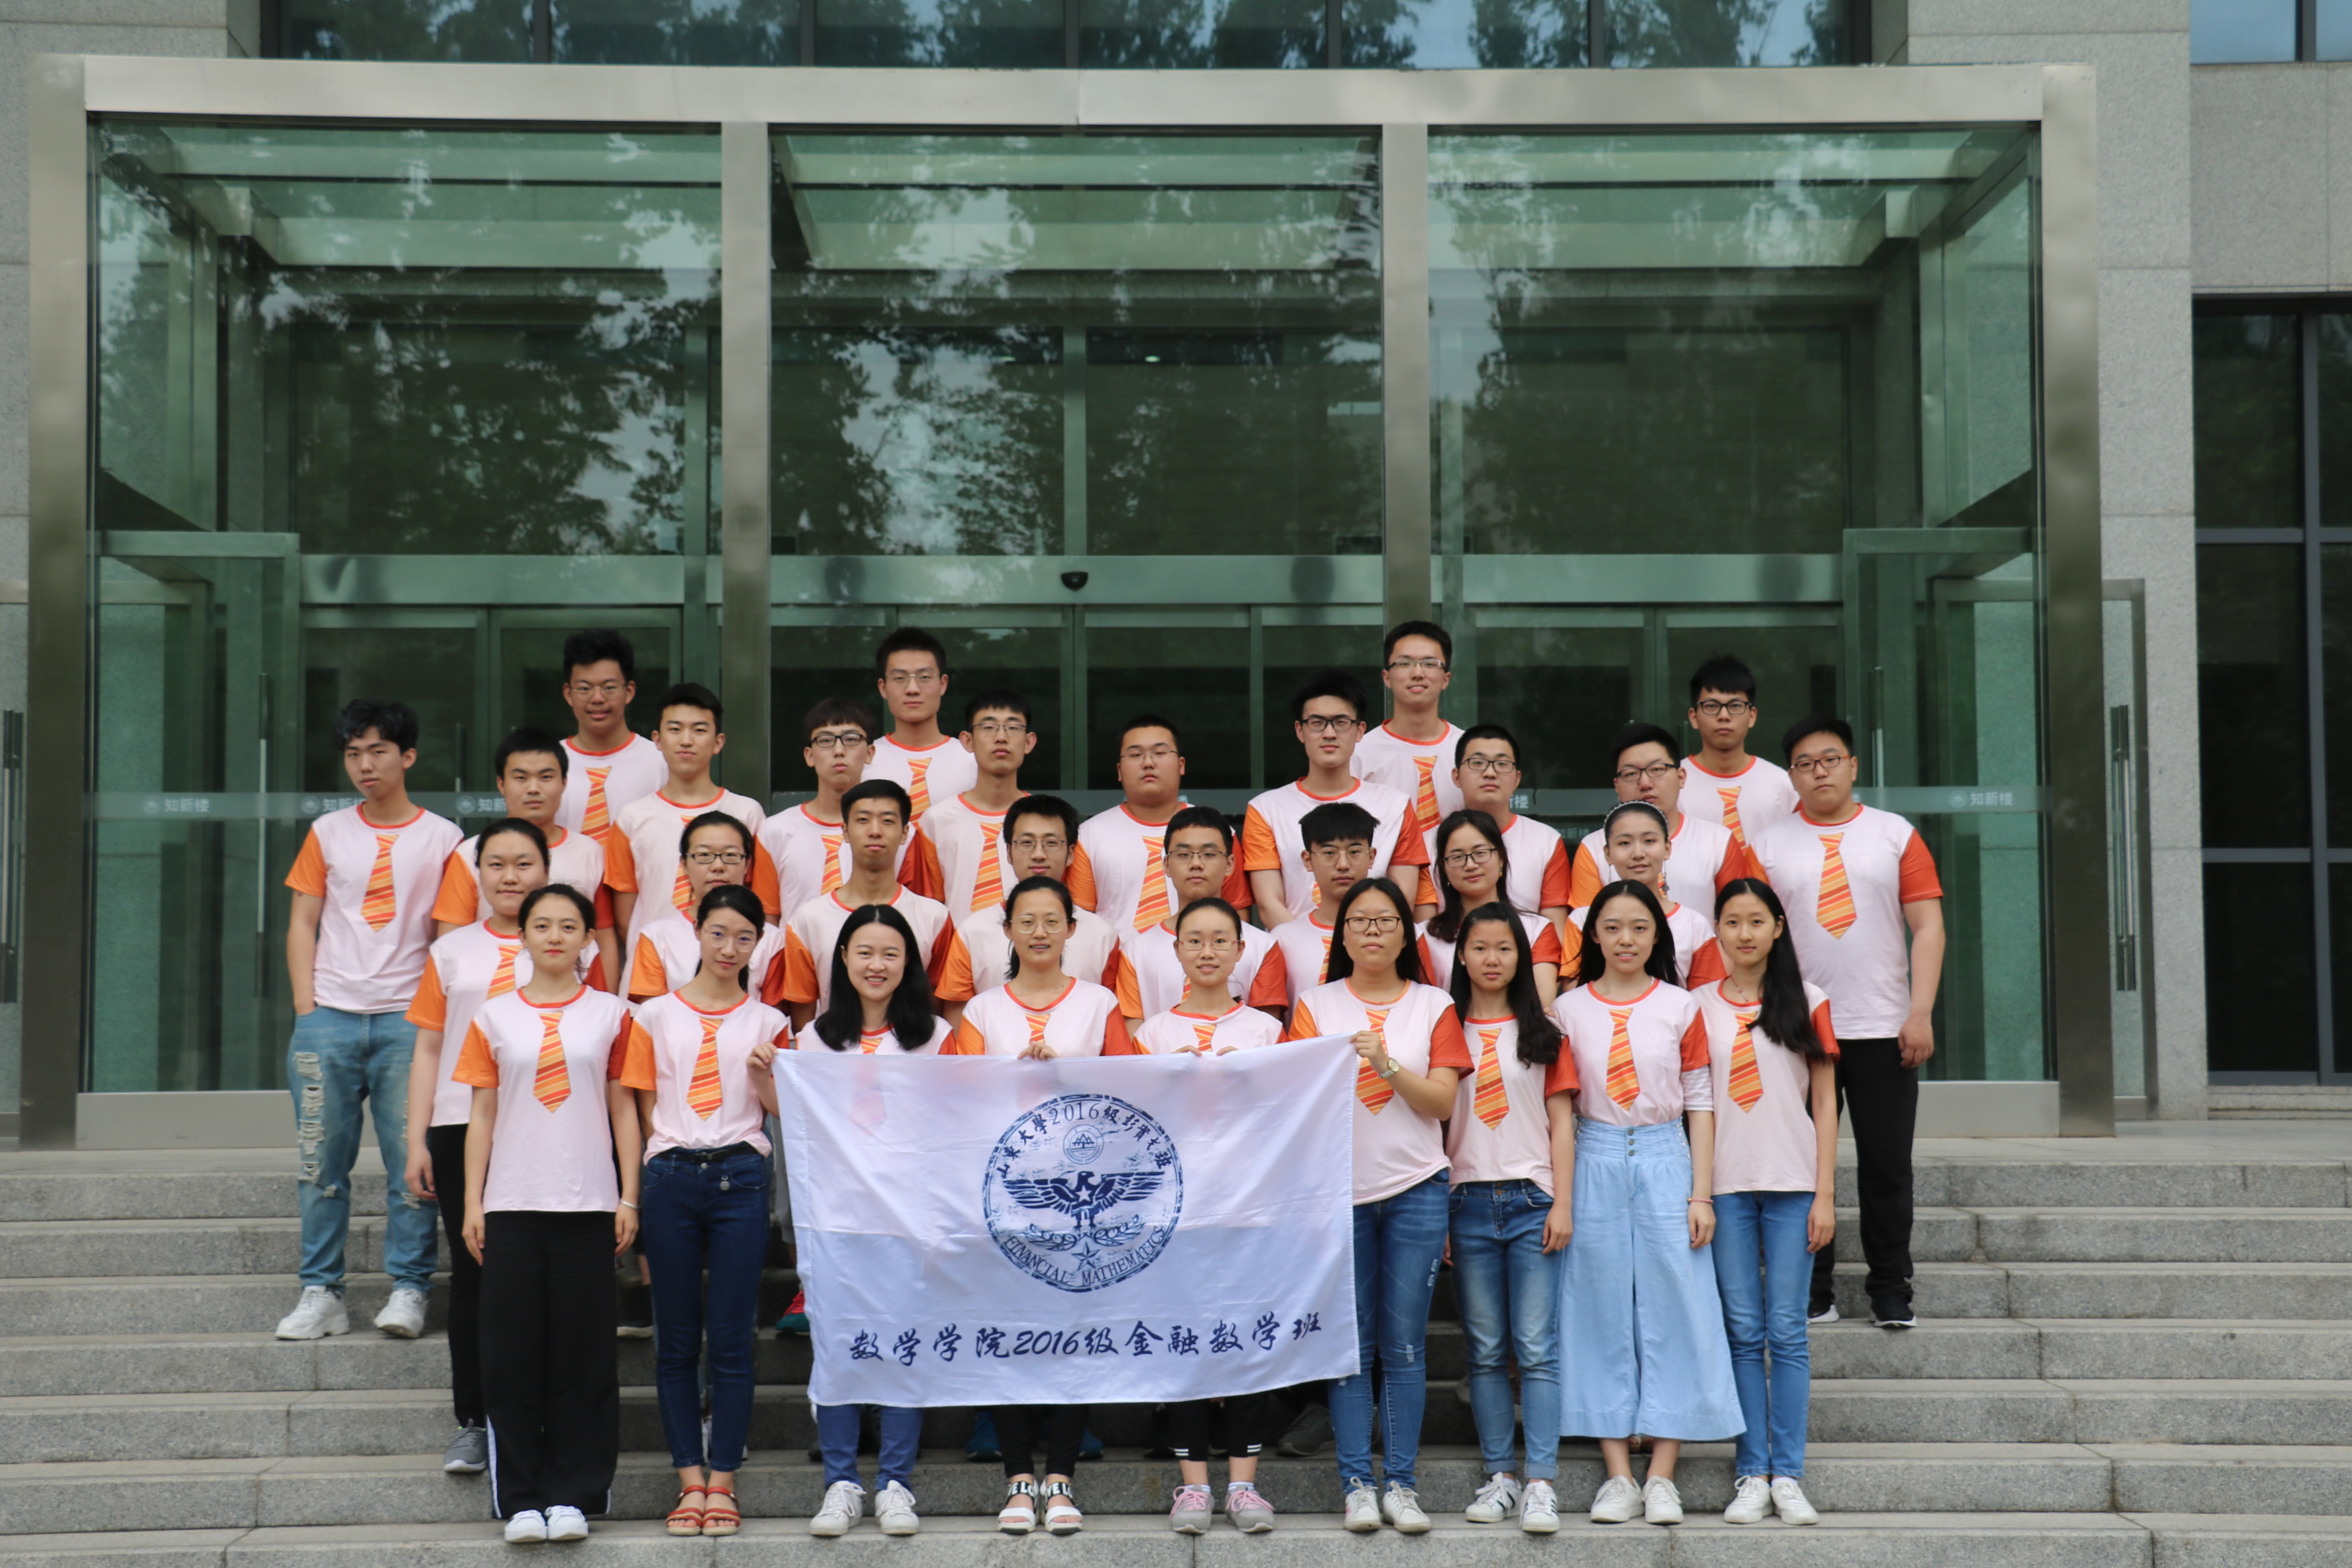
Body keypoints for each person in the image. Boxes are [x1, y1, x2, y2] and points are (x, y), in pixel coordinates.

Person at [1546, 878, 1742, 1528]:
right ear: (1593, 936)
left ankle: (1662, 1474)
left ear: (1657, 934)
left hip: (1665, 1156)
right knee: (1595, 1306)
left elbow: (1701, 1103)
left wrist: (1700, 1193)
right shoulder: (1567, 1010)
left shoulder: (1681, 1006)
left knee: (1676, 1304)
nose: (1625, 939)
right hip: (1594, 1154)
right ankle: (1618, 1475)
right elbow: (1560, 1109)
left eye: (1638, 927)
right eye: (1611, 927)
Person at [944, 876, 1132, 1536]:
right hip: (1007, 1201)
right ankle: (1018, 1477)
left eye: (1053, 920)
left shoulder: (1100, 1004)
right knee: (1009, 1336)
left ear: (1072, 929)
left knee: (1074, 1337)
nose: (1041, 932)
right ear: (1008, 930)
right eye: (1027, 921)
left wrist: (1067, 1076)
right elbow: (961, 1100)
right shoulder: (981, 1011)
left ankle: (1061, 1476)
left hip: (1083, 1205)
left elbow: (1129, 1092)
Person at [453, 884, 639, 1544]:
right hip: (512, 1204)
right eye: (541, 925)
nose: (555, 936)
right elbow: (482, 1113)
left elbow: (623, 1108)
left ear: (589, 938)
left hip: (587, 1205)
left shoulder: (614, 1015)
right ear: (523, 936)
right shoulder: (494, 1016)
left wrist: (629, 1195)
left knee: (583, 1359)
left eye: (568, 926)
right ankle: (522, 1500)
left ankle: (575, 1496)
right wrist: (473, 1201)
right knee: (512, 1358)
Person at [1286, 876, 1469, 1536]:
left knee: (1406, 1345)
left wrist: (1386, 1065)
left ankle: (1402, 1485)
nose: (1371, 930)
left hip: (1416, 1188)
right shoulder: (1316, 1005)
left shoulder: (1433, 1004)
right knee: (1352, 1346)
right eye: (1359, 920)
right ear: (1342, 934)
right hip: (1339, 1196)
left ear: (1404, 932)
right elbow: (1295, 1102)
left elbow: (1442, 1103)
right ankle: (1357, 1485)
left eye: (1385, 920)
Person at [1748, 716, 1944, 1331]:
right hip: (1799, 1030)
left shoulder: (1894, 834)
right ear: (1792, 776)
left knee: (1887, 1164)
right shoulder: (1767, 846)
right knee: (1804, 1164)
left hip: (1883, 1026)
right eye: (1805, 763)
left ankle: (1891, 1289)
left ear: (1853, 765)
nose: (1819, 771)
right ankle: (1815, 1288)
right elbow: (1750, 935)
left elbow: (1928, 926)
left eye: (1830, 759)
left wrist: (1920, 1012)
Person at [277, 699, 461, 1343]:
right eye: (353, 753)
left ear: (407, 756)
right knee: (319, 1165)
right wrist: (306, 1009)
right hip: (328, 1017)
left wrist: (432, 1019)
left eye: (378, 750)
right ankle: (321, 1292)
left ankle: (409, 1288)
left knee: (414, 1166)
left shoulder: (443, 838)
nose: (365, 764)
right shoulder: (328, 832)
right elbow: (302, 921)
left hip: (407, 1023)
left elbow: (447, 937)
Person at [623, 883, 787, 1542]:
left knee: (732, 1335)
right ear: (696, 932)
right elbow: (642, 1106)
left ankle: (723, 1481)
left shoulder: (770, 1022)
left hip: (740, 1176)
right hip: (671, 1174)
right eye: (718, 933)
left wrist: (767, 1075)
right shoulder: (653, 1015)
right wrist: (645, 1179)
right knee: (676, 1337)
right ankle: (688, 1479)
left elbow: (779, 1111)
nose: (729, 948)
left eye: (744, 938)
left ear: (758, 945)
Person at [402, 819, 551, 1476]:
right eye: (496, 864)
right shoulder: (452, 951)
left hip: (545, 1126)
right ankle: (475, 1419)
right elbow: (429, 1047)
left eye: (523, 864)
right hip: (461, 1123)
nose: (510, 876)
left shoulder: (564, 941)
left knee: (542, 1274)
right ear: (477, 873)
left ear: (545, 871)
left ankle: (540, 1416)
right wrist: (416, 1138)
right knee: (472, 1275)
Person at [1129, 896, 1281, 1535]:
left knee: (1246, 1341)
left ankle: (1244, 1486)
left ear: (1242, 950)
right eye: (1195, 940)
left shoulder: (1268, 1033)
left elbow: (1287, 1114)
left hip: (1248, 1211)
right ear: (1177, 951)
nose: (1209, 951)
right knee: (1183, 1343)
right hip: (1177, 1216)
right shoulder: (1152, 1035)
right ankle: (1193, 1486)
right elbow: (1133, 1125)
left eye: (1222, 939)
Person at [799, 904, 951, 1538]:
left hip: (908, 1222)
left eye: (891, 953)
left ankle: (895, 1484)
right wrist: (764, 1078)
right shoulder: (813, 1040)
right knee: (838, 1348)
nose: (877, 965)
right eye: (864, 952)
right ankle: (840, 1483)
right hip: (836, 1221)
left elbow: (956, 1123)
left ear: (908, 962)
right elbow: (799, 1123)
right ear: (842, 959)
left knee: (903, 1349)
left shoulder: (936, 1037)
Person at [1702, 877, 1836, 1528]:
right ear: (1717, 931)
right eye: (1732, 921)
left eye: (1757, 920)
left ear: (1778, 927)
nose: (1745, 933)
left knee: (1786, 1332)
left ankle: (1788, 1474)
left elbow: (1825, 1102)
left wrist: (1826, 1194)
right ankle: (1751, 1471)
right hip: (1725, 1185)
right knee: (1741, 1332)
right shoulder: (1695, 1006)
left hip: (1792, 1182)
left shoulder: (1809, 1000)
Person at [1446, 904, 1568, 1535]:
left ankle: (1541, 1481)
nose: (1492, 959)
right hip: (1466, 1202)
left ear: (1521, 956)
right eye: (1480, 947)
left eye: (1505, 948)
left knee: (1537, 1347)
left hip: (1531, 1201)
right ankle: (1501, 1476)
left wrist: (1563, 1203)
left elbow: (1563, 1123)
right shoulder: (1442, 1028)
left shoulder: (1544, 1030)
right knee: (1487, 1349)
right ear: (1461, 956)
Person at [432, 728, 616, 991]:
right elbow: (451, 942)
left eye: (546, 777)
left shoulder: (591, 852)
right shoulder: (469, 853)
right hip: (488, 994)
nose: (533, 789)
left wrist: (605, 1002)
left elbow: (604, 940)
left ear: (564, 782)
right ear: (501, 784)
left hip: (568, 1000)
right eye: (520, 778)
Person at [1242, 672, 1427, 929]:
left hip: (1375, 944)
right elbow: (1269, 904)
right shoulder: (1266, 809)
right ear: (1300, 730)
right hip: (1293, 950)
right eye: (1317, 723)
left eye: (1341, 722)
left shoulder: (1396, 806)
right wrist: (1310, 945)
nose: (1329, 733)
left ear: (1360, 730)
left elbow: (1403, 900)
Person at [771, 780, 954, 1029]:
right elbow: (803, 1017)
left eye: (887, 821)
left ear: (904, 833)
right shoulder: (808, 919)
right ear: (845, 831)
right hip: (834, 1049)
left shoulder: (935, 917)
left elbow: (936, 1005)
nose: (875, 831)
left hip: (910, 1049)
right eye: (863, 820)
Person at [605, 683, 772, 952]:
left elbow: (757, 898)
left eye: (699, 730)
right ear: (657, 739)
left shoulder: (747, 814)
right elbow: (625, 918)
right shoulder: (632, 819)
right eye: (675, 729)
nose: (686, 740)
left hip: (728, 959)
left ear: (718, 742)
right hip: (653, 962)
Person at [935, 796, 1120, 1025]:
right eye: (1026, 843)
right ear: (1009, 852)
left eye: (1051, 843)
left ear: (1071, 853)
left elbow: (1110, 1018)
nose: (1038, 854)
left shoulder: (1102, 935)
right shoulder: (971, 932)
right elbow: (958, 1021)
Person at [903, 691, 1079, 915]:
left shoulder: (1050, 822)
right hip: (959, 938)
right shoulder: (935, 821)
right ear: (968, 741)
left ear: (1028, 742)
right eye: (988, 727)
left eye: (1013, 727)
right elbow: (927, 908)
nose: (1001, 737)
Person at [1110, 806, 1281, 1028]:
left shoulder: (1263, 946)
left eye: (1209, 854)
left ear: (1230, 864)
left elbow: (1268, 1034)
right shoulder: (1136, 951)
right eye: (1183, 855)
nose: (1196, 864)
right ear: (1166, 865)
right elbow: (1133, 1036)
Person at [1076, 716, 1251, 931]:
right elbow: (1081, 921)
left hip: (1201, 951)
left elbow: (1237, 911)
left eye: (1159, 753)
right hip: (1117, 953)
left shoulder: (1216, 831)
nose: (1148, 763)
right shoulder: (1089, 835)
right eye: (1135, 755)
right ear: (1119, 770)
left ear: (1181, 765)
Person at [1566, 723, 1751, 910]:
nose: (1645, 783)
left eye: (1657, 769)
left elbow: (1739, 917)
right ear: (1617, 786)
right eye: (1631, 774)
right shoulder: (1594, 848)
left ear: (1681, 777)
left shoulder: (1718, 841)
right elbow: (1585, 923)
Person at [1414, 725, 1570, 937]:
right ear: (1456, 777)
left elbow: (1555, 933)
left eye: (1502, 764)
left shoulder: (1546, 841)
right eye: (1477, 763)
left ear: (1517, 779)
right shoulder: (1425, 844)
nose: (1490, 773)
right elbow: (1424, 935)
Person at [622, 813, 784, 1004]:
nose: (718, 866)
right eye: (704, 855)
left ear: (747, 864)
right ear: (684, 864)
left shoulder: (773, 940)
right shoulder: (657, 936)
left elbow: (774, 1014)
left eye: (730, 855)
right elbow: (653, 1014)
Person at [1416, 808, 1564, 1006]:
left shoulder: (1536, 930)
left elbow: (1541, 1003)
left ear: (1501, 858)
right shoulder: (1424, 936)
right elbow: (1423, 1007)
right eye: (1457, 857)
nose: (1470, 865)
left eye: (1480, 853)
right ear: (1443, 868)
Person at [754, 698, 880, 923]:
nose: (839, 751)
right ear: (809, 755)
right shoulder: (775, 831)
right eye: (826, 741)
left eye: (851, 739)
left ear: (870, 752)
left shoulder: (890, 833)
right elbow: (768, 921)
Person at [1576, 801, 1725, 987]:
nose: (1638, 853)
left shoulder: (1694, 925)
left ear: (1667, 848)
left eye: (1649, 841)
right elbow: (1575, 992)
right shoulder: (1581, 920)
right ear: (1608, 853)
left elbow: (1707, 995)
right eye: (1624, 843)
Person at [1257, 801, 1378, 1016]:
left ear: (1371, 857)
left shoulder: (1401, 933)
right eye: (1329, 852)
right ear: (1307, 860)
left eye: (1354, 852)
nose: (1343, 864)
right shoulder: (1282, 940)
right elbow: (1272, 1022)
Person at [1351, 621, 1466, 842]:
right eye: (1404, 663)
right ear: (1387, 677)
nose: (1418, 673)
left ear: (1446, 679)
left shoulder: (1468, 750)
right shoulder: (1359, 752)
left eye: (1430, 664)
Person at [554, 629, 668, 844]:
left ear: (629, 691)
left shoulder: (661, 761)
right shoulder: (547, 763)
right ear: (568, 694)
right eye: (584, 688)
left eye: (609, 687)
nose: (597, 698)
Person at [1681, 654, 1801, 853]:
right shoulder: (1673, 783)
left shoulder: (1782, 783)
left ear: (1752, 716)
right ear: (1693, 717)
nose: (1724, 716)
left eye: (1735, 706)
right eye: (1711, 706)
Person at [866, 628, 975, 822]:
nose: (912, 689)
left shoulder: (973, 759)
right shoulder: (863, 760)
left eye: (924, 677)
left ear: (943, 684)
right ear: (883, 687)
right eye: (899, 678)